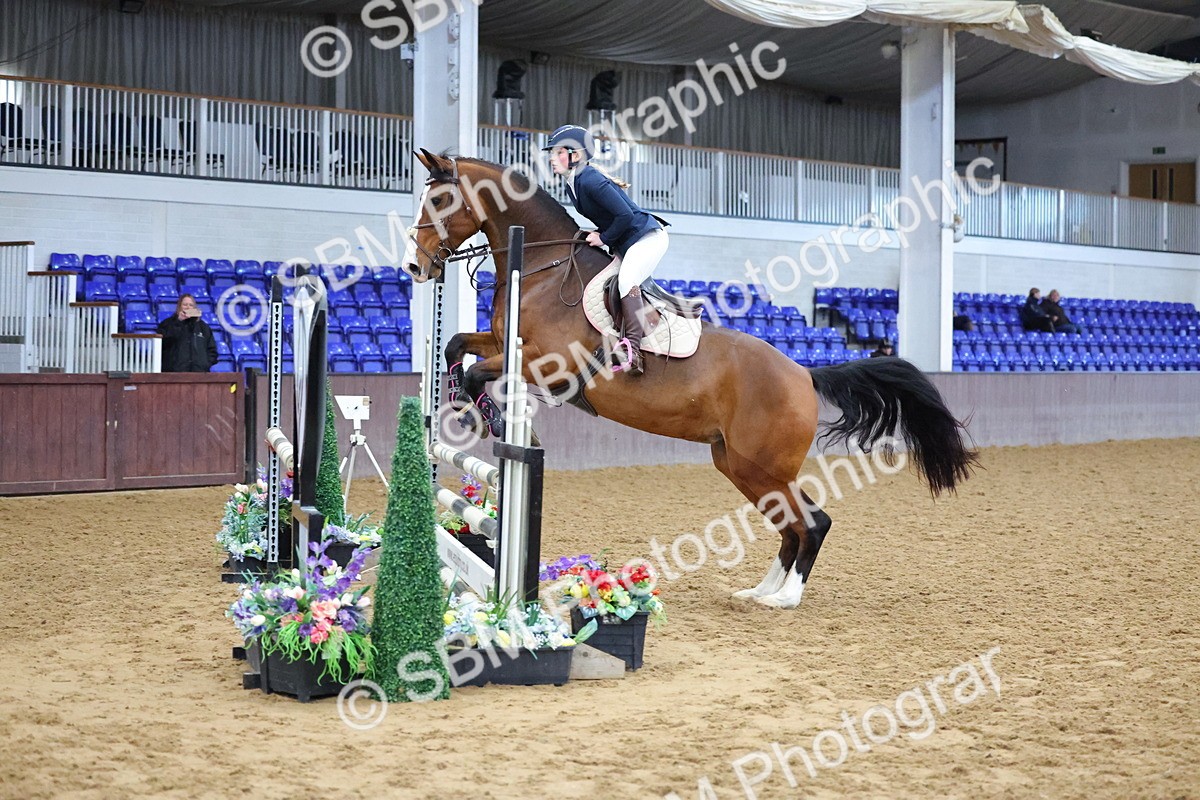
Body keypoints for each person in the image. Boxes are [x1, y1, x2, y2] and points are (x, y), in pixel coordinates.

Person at [543, 124, 669, 376]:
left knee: (627, 281)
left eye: (557, 152)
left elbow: (623, 215)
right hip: (627, 241)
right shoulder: (573, 184)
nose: (551, 158)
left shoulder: (589, 180)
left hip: (647, 238)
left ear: (575, 155)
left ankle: (632, 349)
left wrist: (603, 238)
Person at [157, 294, 217, 372]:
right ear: (179, 307)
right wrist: (179, 322)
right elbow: (164, 343)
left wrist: (205, 364)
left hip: (199, 374)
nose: (188, 307)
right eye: (185, 305)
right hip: (174, 374)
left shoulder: (203, 327)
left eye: (191, 305)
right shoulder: (167, 324)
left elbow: (212, 350)